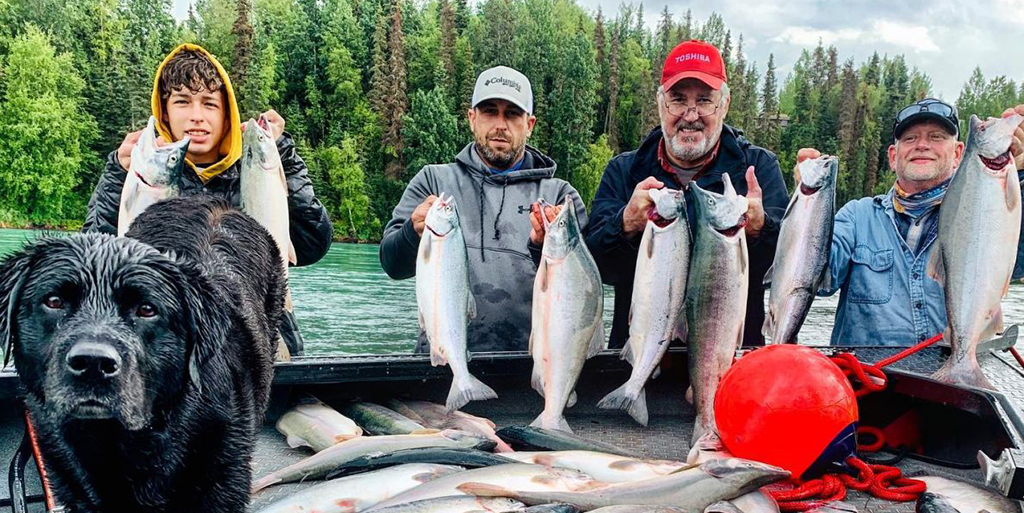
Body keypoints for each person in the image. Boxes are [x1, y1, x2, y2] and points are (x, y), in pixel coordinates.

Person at [83, 44, 333, 356]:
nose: (197, 116)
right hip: (163, 353)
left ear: (227, 114)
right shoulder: (142, 173)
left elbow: (313, 243)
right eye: (183, 102)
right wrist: (117, 174)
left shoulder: (257, 171)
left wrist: (283, 155)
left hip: (259, 353)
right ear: (165, 112)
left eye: (210, 104)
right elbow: (95, 259)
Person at [585, 39, 789, 348]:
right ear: (660, 103)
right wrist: (624, 224)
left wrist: (762, 229)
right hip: (638, 363)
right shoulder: (624, 172)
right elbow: (597, 270)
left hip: (731, 364)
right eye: (678, 100)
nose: (690, 115)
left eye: (704, 101)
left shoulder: (758, 169)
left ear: (724, 105)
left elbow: (786, 274)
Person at [380, 66, 587, 353]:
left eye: (512, 114)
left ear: (529, 124)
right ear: (472, 118)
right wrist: (412, 233)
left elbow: (580, 292)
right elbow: (393, 266)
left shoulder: (560, 197)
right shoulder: (433, 181)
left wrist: (543, 248)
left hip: (527, 372)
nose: (500, 124)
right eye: (490, 111)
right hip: (439, 365)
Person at [802, 98, 1024, 346]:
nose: (922, 145)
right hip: (866, 380)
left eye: (936, 137)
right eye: (910, 138)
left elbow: (1018, 261)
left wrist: (1020, 179)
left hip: (952, 379)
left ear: (958, 154)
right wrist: (808, 206)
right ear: (893, 156)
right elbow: (817, 280)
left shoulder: (986, 214)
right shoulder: (856, 217)